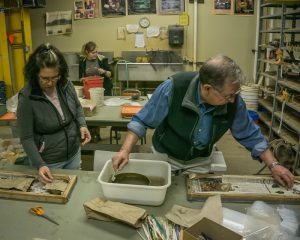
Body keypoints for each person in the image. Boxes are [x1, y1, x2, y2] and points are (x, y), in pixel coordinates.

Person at [112, 54, 294, 188]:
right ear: (207, 88)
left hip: (199, 161)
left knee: (194, 206)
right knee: (163, 198)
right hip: (165, 156)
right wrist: (124, 151)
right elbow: (142, 121)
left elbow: (250, 134)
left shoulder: (233, 101)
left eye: (234, 95)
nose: (232, 100)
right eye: (227, 96)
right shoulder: (174, 88)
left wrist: (274, 164)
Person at [17, 43, 91, 184]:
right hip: (49, 162)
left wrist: (82, 124)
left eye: (54, 77)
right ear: (35, 74)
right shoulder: (27, 97)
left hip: (74, 152)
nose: (50, 83)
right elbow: (26, 137)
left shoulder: (65, 84)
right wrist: (40, 164)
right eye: (44, 78)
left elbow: (77, 106)